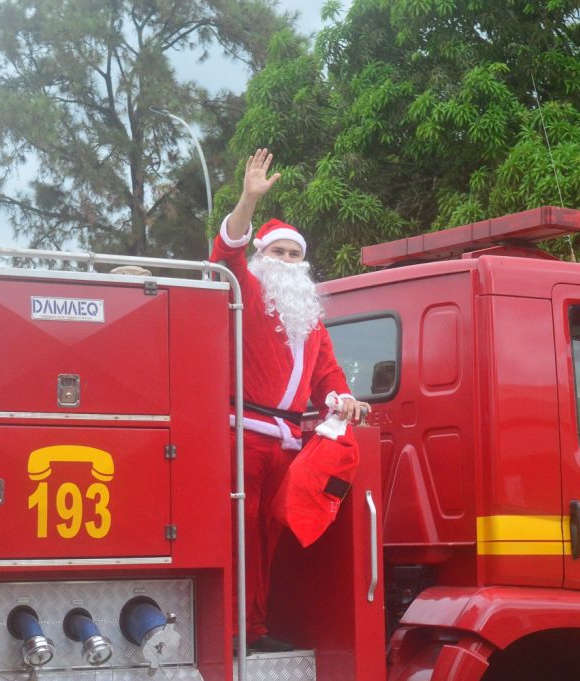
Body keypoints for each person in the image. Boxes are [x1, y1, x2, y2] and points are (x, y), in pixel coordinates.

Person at [212, 148, 369, 653]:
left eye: (293, 254)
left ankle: (253, 628)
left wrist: (343, 397)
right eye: (277, 252)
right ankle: (234, 630)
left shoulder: (310, 317)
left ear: (304, 263)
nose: (285, 261)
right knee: (242, 535)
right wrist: (247, 200)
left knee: (270, 537)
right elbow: (226, 253)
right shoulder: (249, 290)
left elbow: (327, 372)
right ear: (262, 256)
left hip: (286, 443)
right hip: (243, 436)